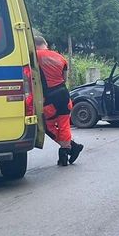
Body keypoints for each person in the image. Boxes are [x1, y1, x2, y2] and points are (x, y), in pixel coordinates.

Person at [34, 33, 83, 167]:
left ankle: (68, 148)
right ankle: (67, 150)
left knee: (46, 126)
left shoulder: (34, 57)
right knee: (64, 125)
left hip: (49, 98)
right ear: (46, 44)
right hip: (64, 95)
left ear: (34, 45)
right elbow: (65, 79)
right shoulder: (61, 58)